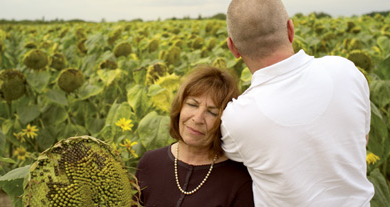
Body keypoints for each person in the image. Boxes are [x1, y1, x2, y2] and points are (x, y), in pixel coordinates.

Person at [220, 0, 375, 206]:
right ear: (290, 30)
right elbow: (360, 139)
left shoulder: (236, 118)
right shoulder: (346, 71)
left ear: (233, 48)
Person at [136, 66, 254, 206]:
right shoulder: (149, 163)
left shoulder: (239, 180)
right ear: (179, 106)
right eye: (192, 105)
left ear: (225, 121)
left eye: (212, 113)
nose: (198, 119)